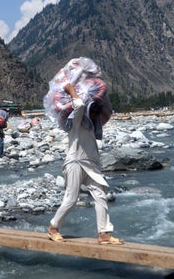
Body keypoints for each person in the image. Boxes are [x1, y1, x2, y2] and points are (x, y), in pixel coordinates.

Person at [47, 83, 123, 245]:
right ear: (88, 112)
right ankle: (53, 227)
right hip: (75, 162)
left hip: (91, 165)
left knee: (101, 194)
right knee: (71, 199)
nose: (96, 114)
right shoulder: (76, 122)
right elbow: (80, 104)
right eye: (93, 111)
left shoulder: (92, 128)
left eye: (97, 111)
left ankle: (104, 233)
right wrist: (71, 91)